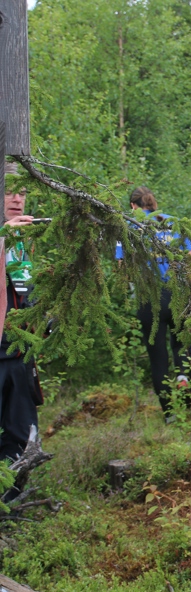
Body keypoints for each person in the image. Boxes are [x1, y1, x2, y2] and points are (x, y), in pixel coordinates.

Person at [116, 187, 191, 422]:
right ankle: (184, 388)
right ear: (154, 203)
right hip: (177, 294)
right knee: (182, 346)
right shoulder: (173, 223)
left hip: (149, 298)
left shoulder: (128, 226)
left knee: (158, 356)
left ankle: (169, 413)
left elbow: (122, 267)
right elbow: (190, 258)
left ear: (133, 206)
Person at [0, 162, 42, 469]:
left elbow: (23, 289)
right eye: (9, 193)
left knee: (23, 436)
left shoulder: (20, 241)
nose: (17, 200)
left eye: (23, 193)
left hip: (18, 355)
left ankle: (11, 503)